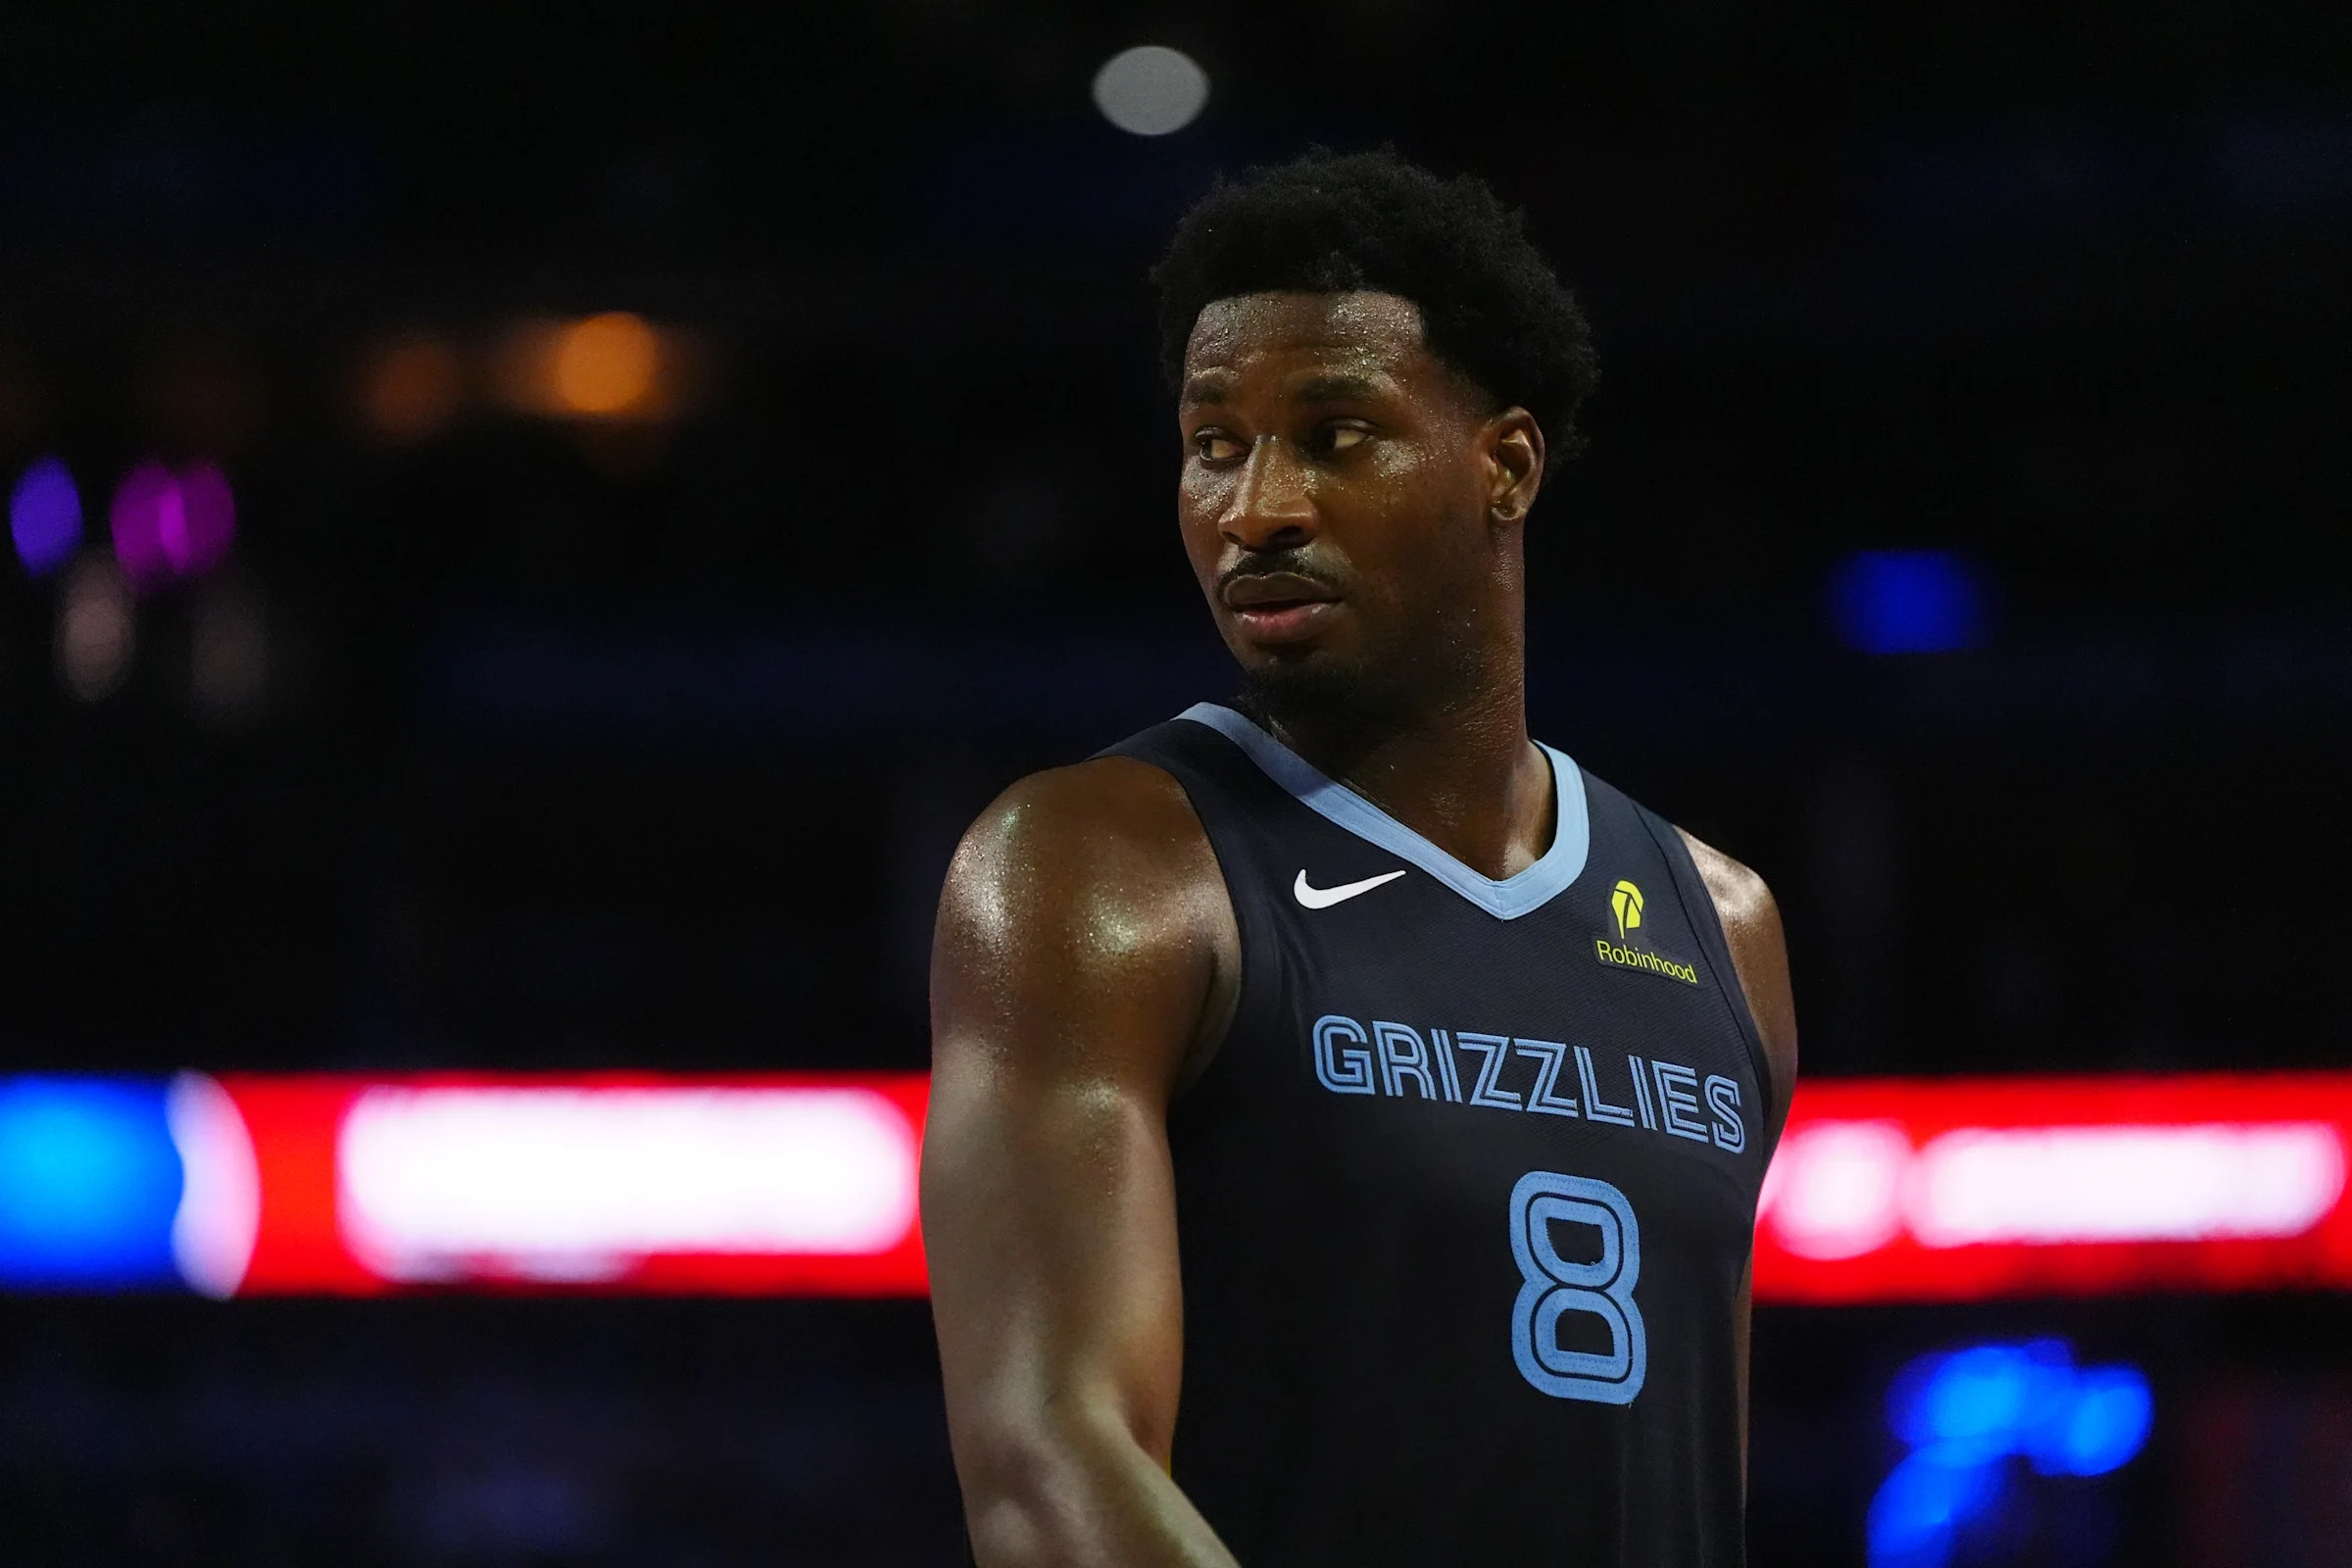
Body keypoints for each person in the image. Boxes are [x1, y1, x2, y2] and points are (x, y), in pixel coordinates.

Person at [922, 148, 1797, 1568]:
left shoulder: (1721, 924)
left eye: (1335, 436)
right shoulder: (1102, 866)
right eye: (1216, 445)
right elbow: (1048, 1462)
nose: (1256, 506)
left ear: (1506, 466)